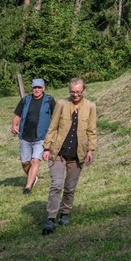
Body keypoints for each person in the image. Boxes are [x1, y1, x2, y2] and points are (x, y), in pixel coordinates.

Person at [42, 77, 97, 235]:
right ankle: (51, 218)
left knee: (69, 188)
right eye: (72, 92)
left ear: (84, 91)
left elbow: (92, 130)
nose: (75, 95)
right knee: (56, 185)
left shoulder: (91, 107)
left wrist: (90, 150)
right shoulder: (61, 104)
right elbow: (52, 127)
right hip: (58, 152)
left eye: (78, 92)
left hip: (77, 154)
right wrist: (47, 148)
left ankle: (65, 214)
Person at [11, 77, 56, 196]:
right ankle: (33, 178)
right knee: (25, 163)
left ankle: (28, 187)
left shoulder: (49, 100)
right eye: (35, 87)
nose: (37, 90)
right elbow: (17, 115)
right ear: (32, 88)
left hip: (41, 137)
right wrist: (14, 125)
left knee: (35, 160)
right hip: (25, 136)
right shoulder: (26, 100)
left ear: (43, 88)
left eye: (39, 87)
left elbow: (56, 117)